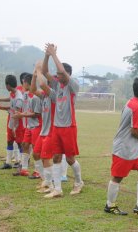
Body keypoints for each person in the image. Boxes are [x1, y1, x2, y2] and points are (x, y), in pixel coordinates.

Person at [104, 77, 138, 219]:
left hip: (134, 148)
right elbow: (134, 131)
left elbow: (134, 128)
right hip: (124, 148)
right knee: (117, 177)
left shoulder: (130, 101)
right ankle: (110, 205)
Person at [42, 44, 84, 198]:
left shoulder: (73, 86)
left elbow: (63, 73)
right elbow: (45, 72)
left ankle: (79, 182)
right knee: (56, 157)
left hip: (69, 127)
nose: (56, 76)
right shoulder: (57, 87)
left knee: (71, 158)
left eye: (59, 74)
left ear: (66, 75)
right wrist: (47, 55)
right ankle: (58, 189)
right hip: (57, 127)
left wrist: (54, 55)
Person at [31, 62, 56, 192]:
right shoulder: (44, 97)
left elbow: (41, 85)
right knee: (36, 153)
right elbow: (33, 90)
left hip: (51, 132)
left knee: (46, 157)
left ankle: (50, 185)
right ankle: (45, 180)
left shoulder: (53, 95)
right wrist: (35, 75)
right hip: (43, 131)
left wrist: (39, 70)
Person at [12, 73, 42, 178]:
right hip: (29, 125)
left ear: (25, 82)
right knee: (25, 145)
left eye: (23, 81)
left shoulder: (36, 97)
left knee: (36, 149)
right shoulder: (26, 94)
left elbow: (37, 114)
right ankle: (24, 169)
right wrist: (21, 115)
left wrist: (21, 115)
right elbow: (28, 110)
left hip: (36, 125)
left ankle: (38, 171)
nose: (22, 83)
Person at [0, 75, 24, 170]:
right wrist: (0, 100)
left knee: (19, 143)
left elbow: (17, 112)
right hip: (11, 122)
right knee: (9, 141)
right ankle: (8, 163)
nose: (5, 87)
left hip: (17, 124)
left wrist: (14, 127)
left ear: (8, 85)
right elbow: (10, 100)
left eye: (5, 85)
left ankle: (22, 163)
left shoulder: (19, 97)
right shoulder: (12, 93)